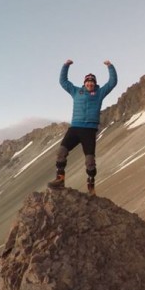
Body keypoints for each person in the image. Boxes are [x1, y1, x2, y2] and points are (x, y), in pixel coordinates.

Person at [48, 59, 118, 194]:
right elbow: (63, 82)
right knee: (61, 152)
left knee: (90, 160)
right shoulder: (76, 91)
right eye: (88, 82)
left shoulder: (99, 93)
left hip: (89, 131)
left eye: (92, 82)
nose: (90, 84)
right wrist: (66, 66)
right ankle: (60, 179)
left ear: (95, 83)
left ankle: (91, 185)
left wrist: (110, 66)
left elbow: (112, 82)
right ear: (84, 83)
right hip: (75, 128)